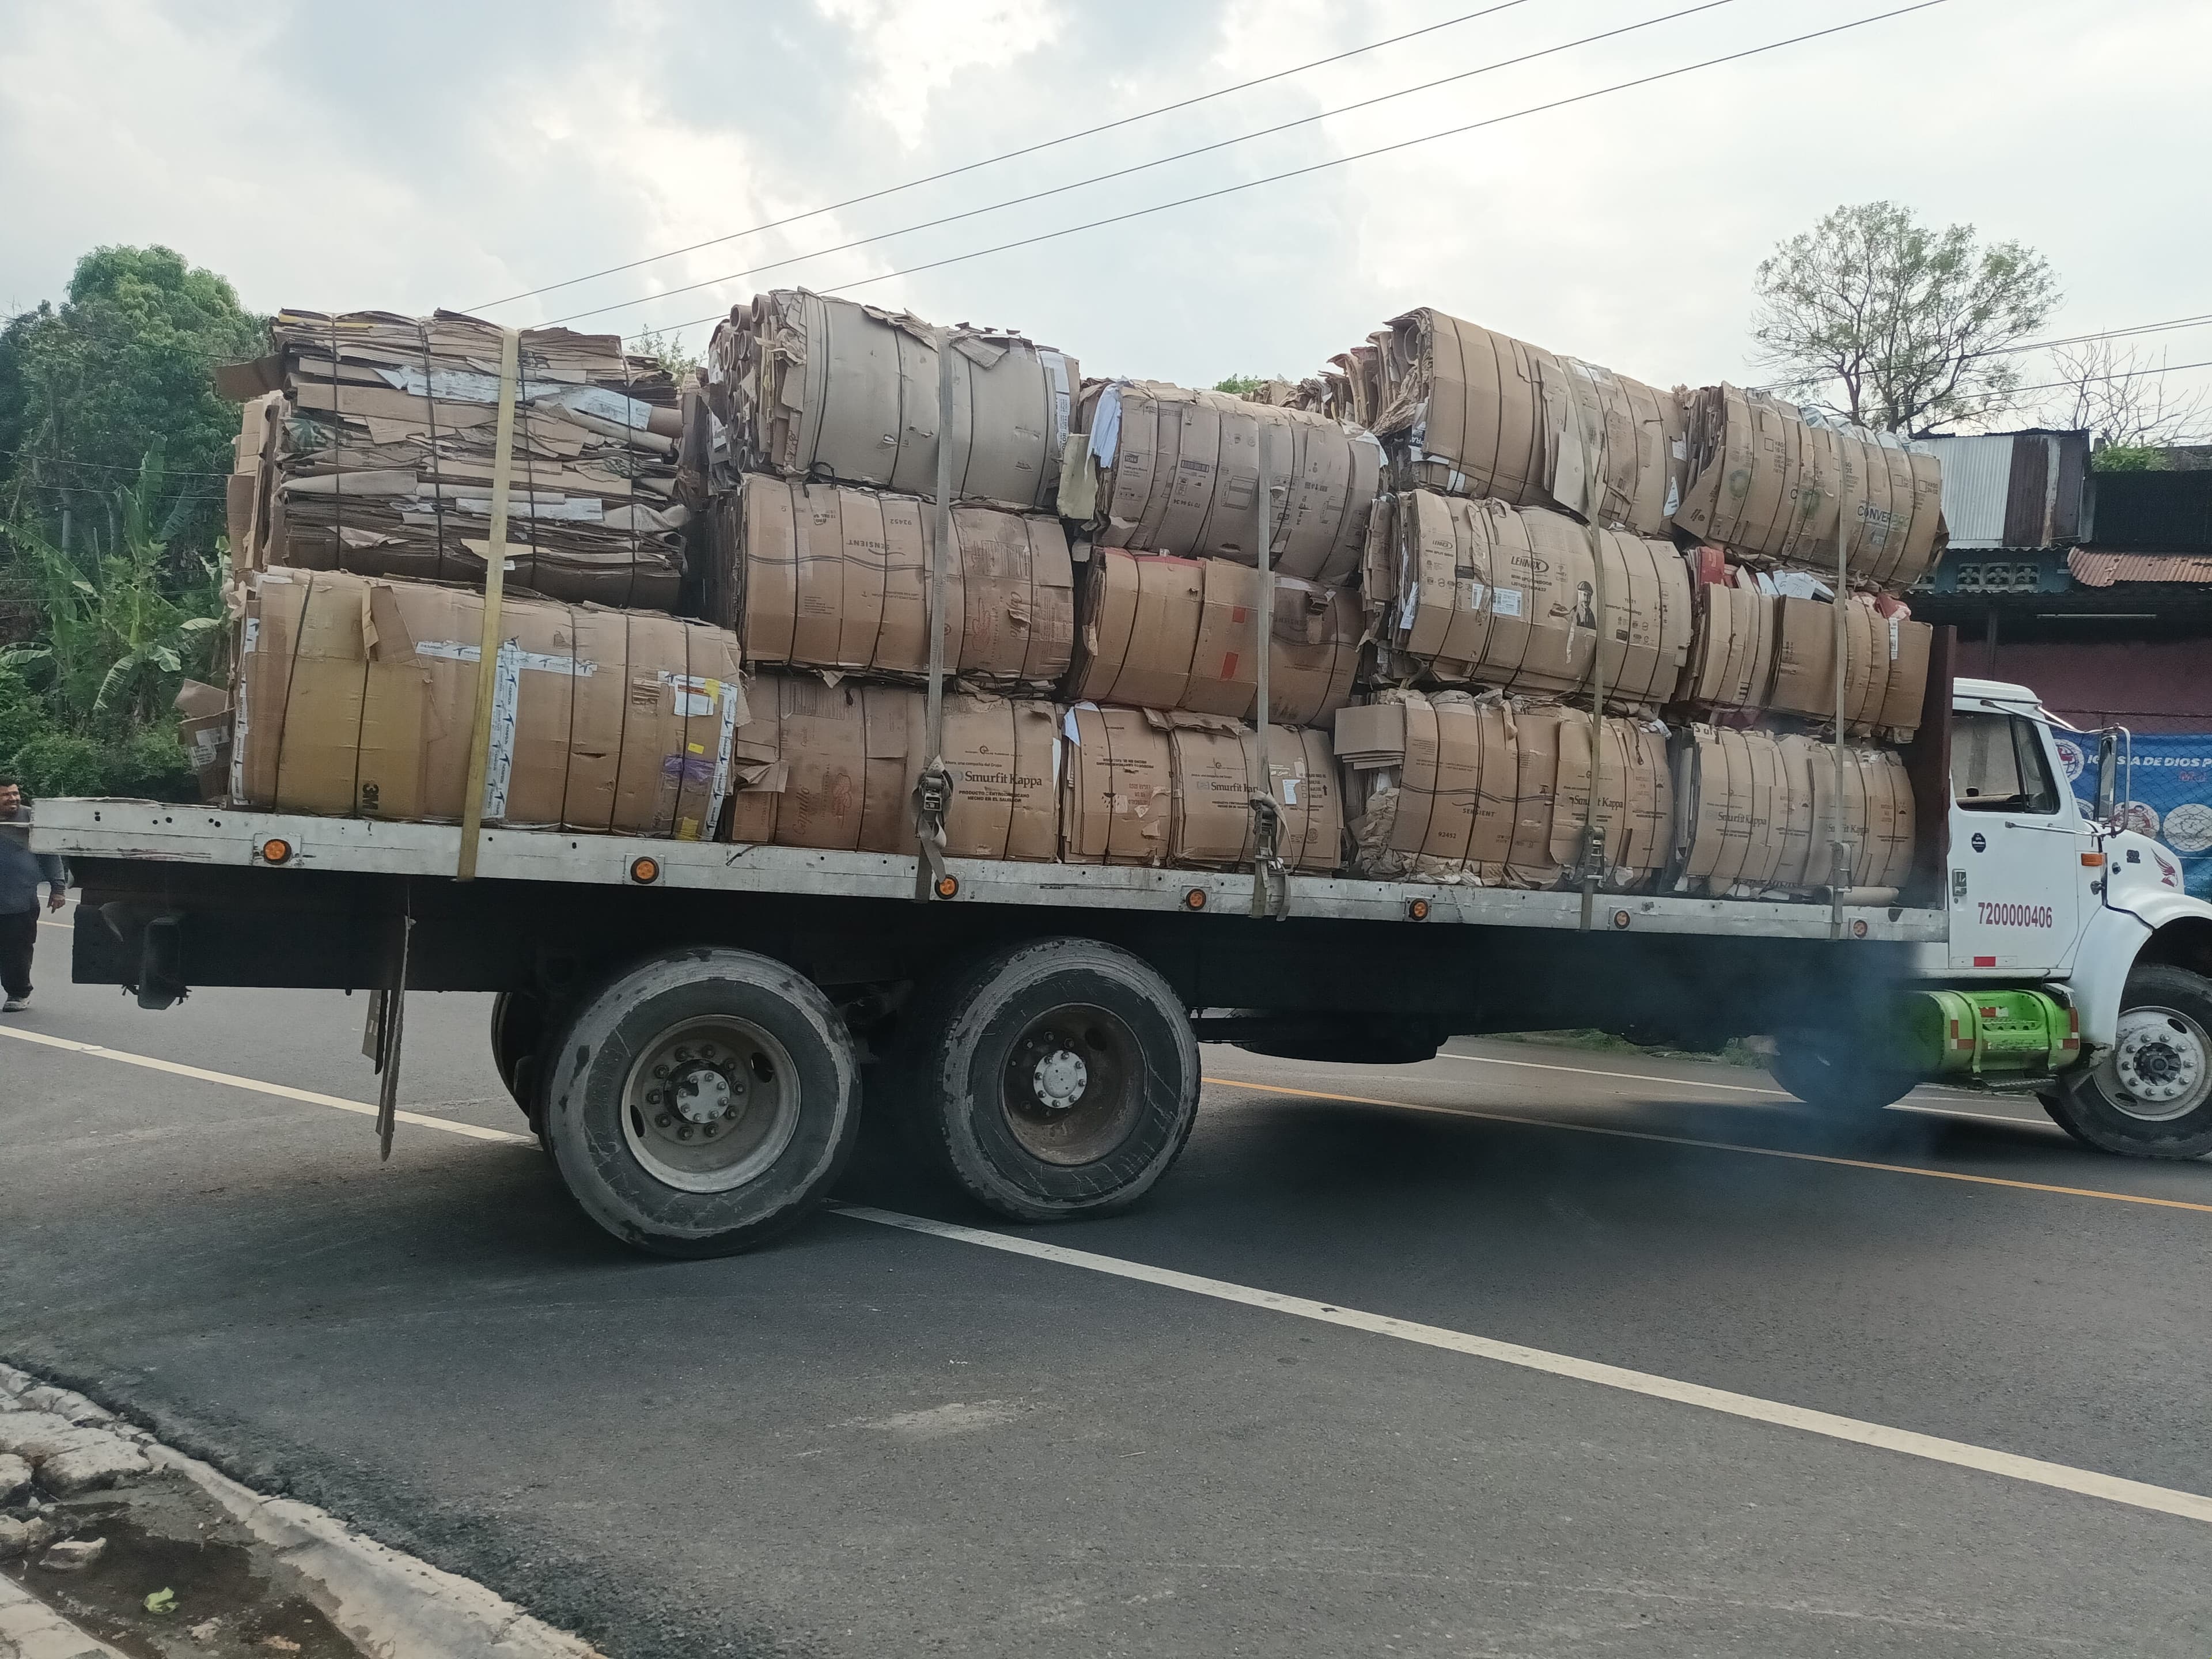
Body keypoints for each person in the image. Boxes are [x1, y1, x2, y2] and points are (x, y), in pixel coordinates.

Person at [0, 775, 69, 1013]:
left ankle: (18, 993)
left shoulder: (31, 818)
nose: (13, 799)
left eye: (15, 793)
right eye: (6, 795)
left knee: (16, 950)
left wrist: (58, 889)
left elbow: (51, 854)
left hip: (19, 901)